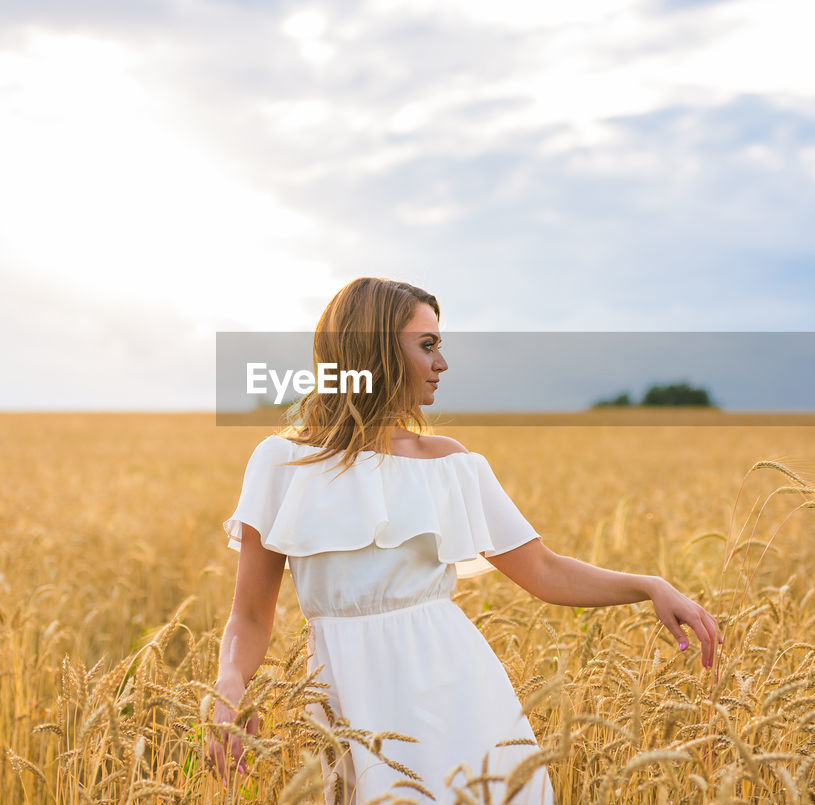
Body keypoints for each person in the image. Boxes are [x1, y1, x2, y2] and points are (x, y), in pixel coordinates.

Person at [208, 277, 723, 804]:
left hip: (457, 695)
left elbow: (542, 570)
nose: (441, 363)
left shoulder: (450, 463)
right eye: (426, 345)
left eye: (440, 345)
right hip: (345, 702)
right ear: (377, 350)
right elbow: (249, 614)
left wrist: (648, 584)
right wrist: (230, 682)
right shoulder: (283, 464)